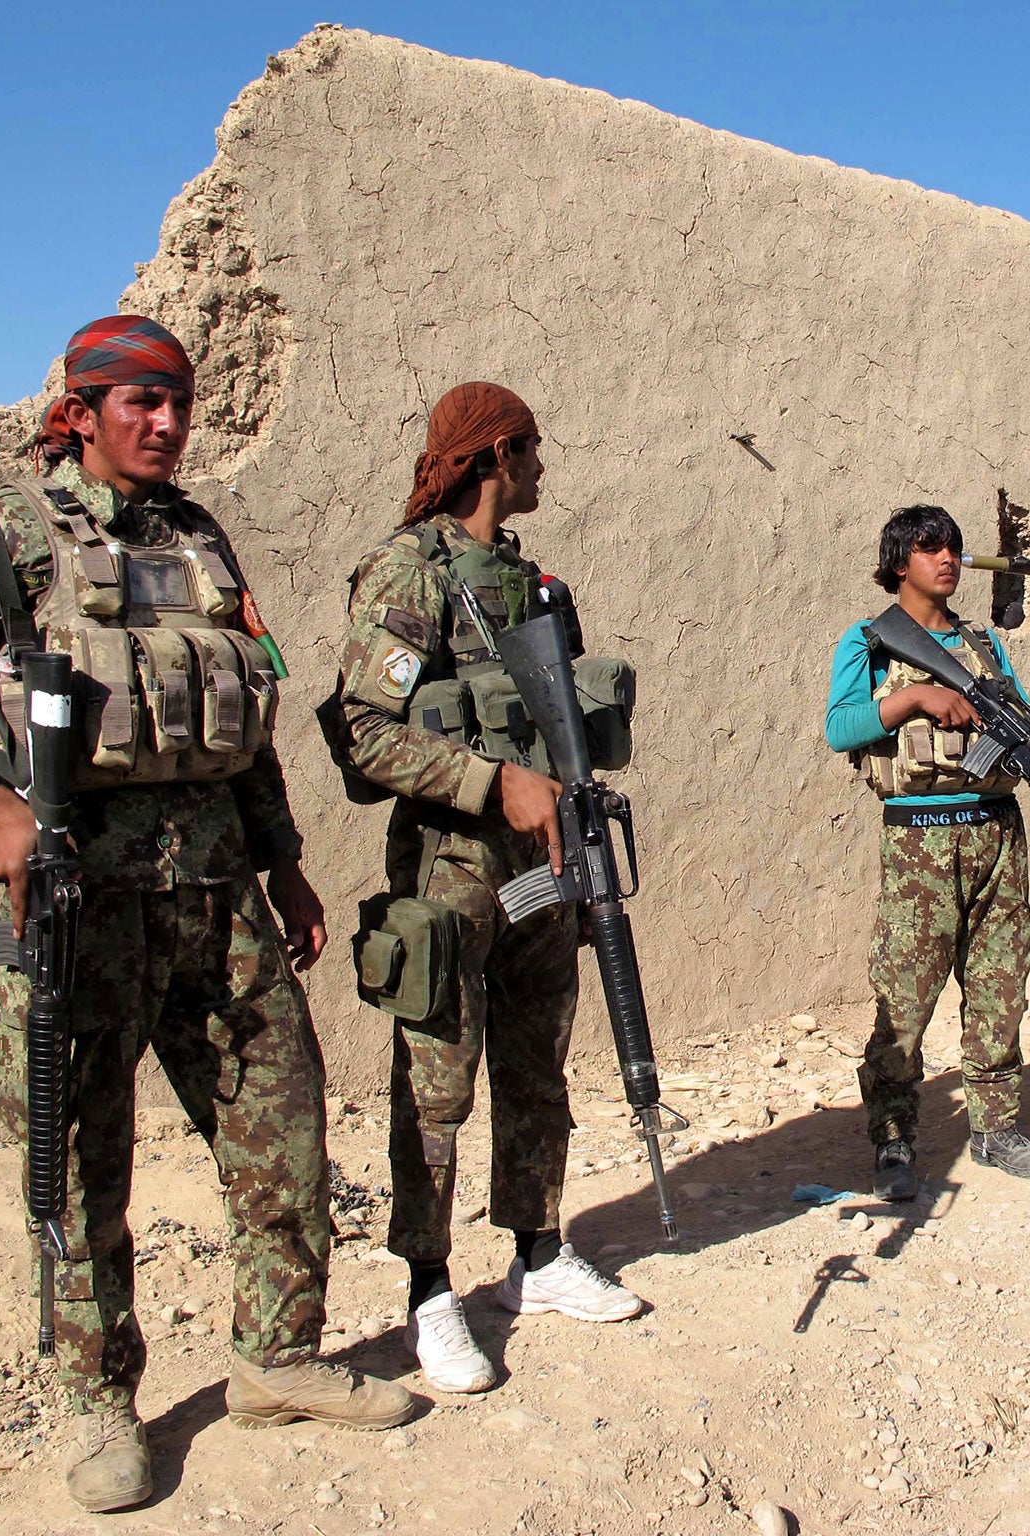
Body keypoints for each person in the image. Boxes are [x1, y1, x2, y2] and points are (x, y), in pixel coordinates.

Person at [0, 316, 410, 1513]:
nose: (165, 422)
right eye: (138, 401)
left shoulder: (198, 539)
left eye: (178, 401)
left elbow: (243, 712)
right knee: (85, 1166)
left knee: (284, 1138)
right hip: (80, 904)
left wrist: (283, 861)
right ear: (78, 412)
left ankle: (276, 1358)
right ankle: (98, 1399)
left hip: (218, 904)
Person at [333, 382, 643, 1395]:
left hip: (541, 861)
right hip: (451, 863)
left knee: (535, 1062)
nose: (543, 467)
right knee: (437, 1085)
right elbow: (362, 732)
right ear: (493, 457)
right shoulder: (407, 570)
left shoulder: (526, 581)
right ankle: (430, 1290)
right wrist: (488, 782)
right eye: (532, 450)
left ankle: (538, 1255)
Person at [825, 505, 1030, 1199]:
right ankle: (894, 1140)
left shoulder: (983, 643)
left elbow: (1026, 719)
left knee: (1000, 982)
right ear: (901, 563)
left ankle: (996, 1126)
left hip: (996, 828)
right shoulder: (869, 642)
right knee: (907, 993)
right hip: (919, 838)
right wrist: (917, 697)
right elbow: (842, 727)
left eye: (955, 548)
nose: (948, 560)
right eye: (931, 549)